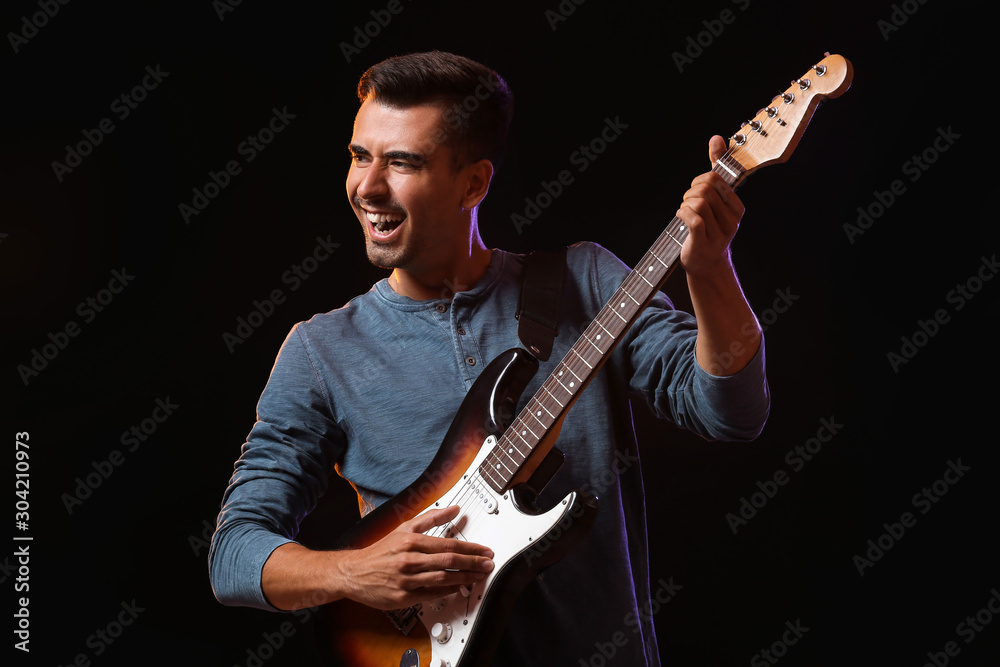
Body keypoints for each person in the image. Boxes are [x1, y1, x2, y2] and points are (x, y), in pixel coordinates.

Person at [209, 50, 769, 665]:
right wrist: (353, 573)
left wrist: (711, 271)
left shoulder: (587, 282)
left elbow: (731, 413)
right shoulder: (320, 349)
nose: (367, 187)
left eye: (402, 163)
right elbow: (234, 556)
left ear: (473, 182)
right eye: (359, 156)